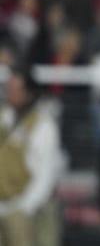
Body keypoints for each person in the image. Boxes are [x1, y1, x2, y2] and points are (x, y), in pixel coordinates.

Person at [0, 67, 66, 246]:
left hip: (28, 209)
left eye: (15, 89)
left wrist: (25, 207)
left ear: (28, 92)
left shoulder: (42, 124)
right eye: (8, 88)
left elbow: (46, 173)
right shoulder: (4, 118)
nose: (9, 94)